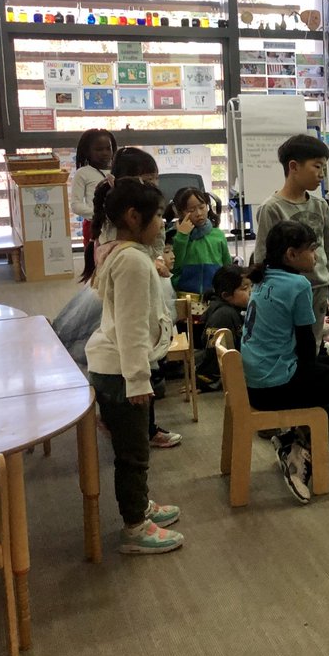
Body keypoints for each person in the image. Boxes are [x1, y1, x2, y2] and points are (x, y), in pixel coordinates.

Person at [83, 178, 184, 554]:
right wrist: (138, 380)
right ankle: (134, 527)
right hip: (121, 372)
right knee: (133, 454)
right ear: (133, 216)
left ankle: (139, 506)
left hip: (119, 368)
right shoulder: (132, 263)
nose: (162, 223)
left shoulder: (123, 253)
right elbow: (129, 327)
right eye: (158, 216)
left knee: (135, 447)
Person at [241, 221, 329, 504]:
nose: (316, 257)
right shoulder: (298, 284)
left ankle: (294, 436)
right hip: (276, 386)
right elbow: (306, 352)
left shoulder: (263, 277)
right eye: (311, 250)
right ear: (291, 254)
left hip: (255, 381)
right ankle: (305, 450)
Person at [72, 147, 181, 449]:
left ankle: (134, 423)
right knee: (132, 354)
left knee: (141, 357)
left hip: (137, 279)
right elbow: (131, 326)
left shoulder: (140, 226)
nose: (152, 186)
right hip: (122, 293)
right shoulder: (122, 241)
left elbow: (154, 244)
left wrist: (157, 255)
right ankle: (130, 423)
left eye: (155, 180)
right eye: (146, 180)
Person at [251, 134, 329, 348]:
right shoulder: (272, 208)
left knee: (313, 344)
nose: (322, 174)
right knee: (289, 345)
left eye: (324, 168)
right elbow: (262, 256)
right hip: (286, 295)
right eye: (317, 167)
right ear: (294, 166)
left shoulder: (321, 206)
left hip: (318, 289)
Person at [194, 263, 252, 391]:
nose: (250, 292)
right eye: (244, 288)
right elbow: (213, 355)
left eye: (251, 286)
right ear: (226, 295)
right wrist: (205, 381)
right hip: (217, 378)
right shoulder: (224, 315)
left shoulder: (233, 309)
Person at [169, 186, 232, 297]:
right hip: (185, 296)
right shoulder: (173, 236)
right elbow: (174, 266)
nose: (198, 213)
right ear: (179, 212)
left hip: (214, 296)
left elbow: (227, 266)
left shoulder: (217, 235)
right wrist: (182, 236)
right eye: (191, 210)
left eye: (202, 207)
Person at [71, 128, 117, 247]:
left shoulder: (119, 169)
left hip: (117, 225)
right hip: (94, 225)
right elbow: (76, 205)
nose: (105, 153)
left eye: (108, 148)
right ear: (87, 151)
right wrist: (99, 215)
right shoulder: (82, 173)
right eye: (99, 149)